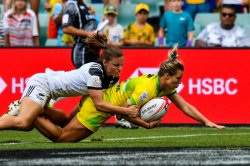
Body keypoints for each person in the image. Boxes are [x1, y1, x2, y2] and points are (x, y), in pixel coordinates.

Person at [33, 45, 225, 143]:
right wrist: (145, 124)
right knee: (61, 138)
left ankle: (40, 110)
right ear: (167, 76)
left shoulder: (161, 84)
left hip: (97, 100)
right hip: (98, 110)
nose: (180, 82)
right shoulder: (148, 89)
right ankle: (33, 115)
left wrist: (205, 121)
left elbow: (185, 106)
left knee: (65, 122)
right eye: (178, 79)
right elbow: (124, 113)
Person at [0, 33, 138, 131]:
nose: (120, 69)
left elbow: (88, 101)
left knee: (61, 123)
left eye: (121, 65)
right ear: (105, 61)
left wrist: (123, 112)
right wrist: (125, 111)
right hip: (43, 84)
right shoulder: (95, 72)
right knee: (23, 123)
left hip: (51, 91)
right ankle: (22, 110)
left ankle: (24, 108)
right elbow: (100, 104)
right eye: (116, 65)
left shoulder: (112, 79)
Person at [61, 0, 99, 69]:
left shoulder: (85, 6)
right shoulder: (71, 6)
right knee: (83, 77)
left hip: (92, 49)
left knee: (94, 77)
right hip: (82, 50)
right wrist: (88, 34)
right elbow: (65, 28)